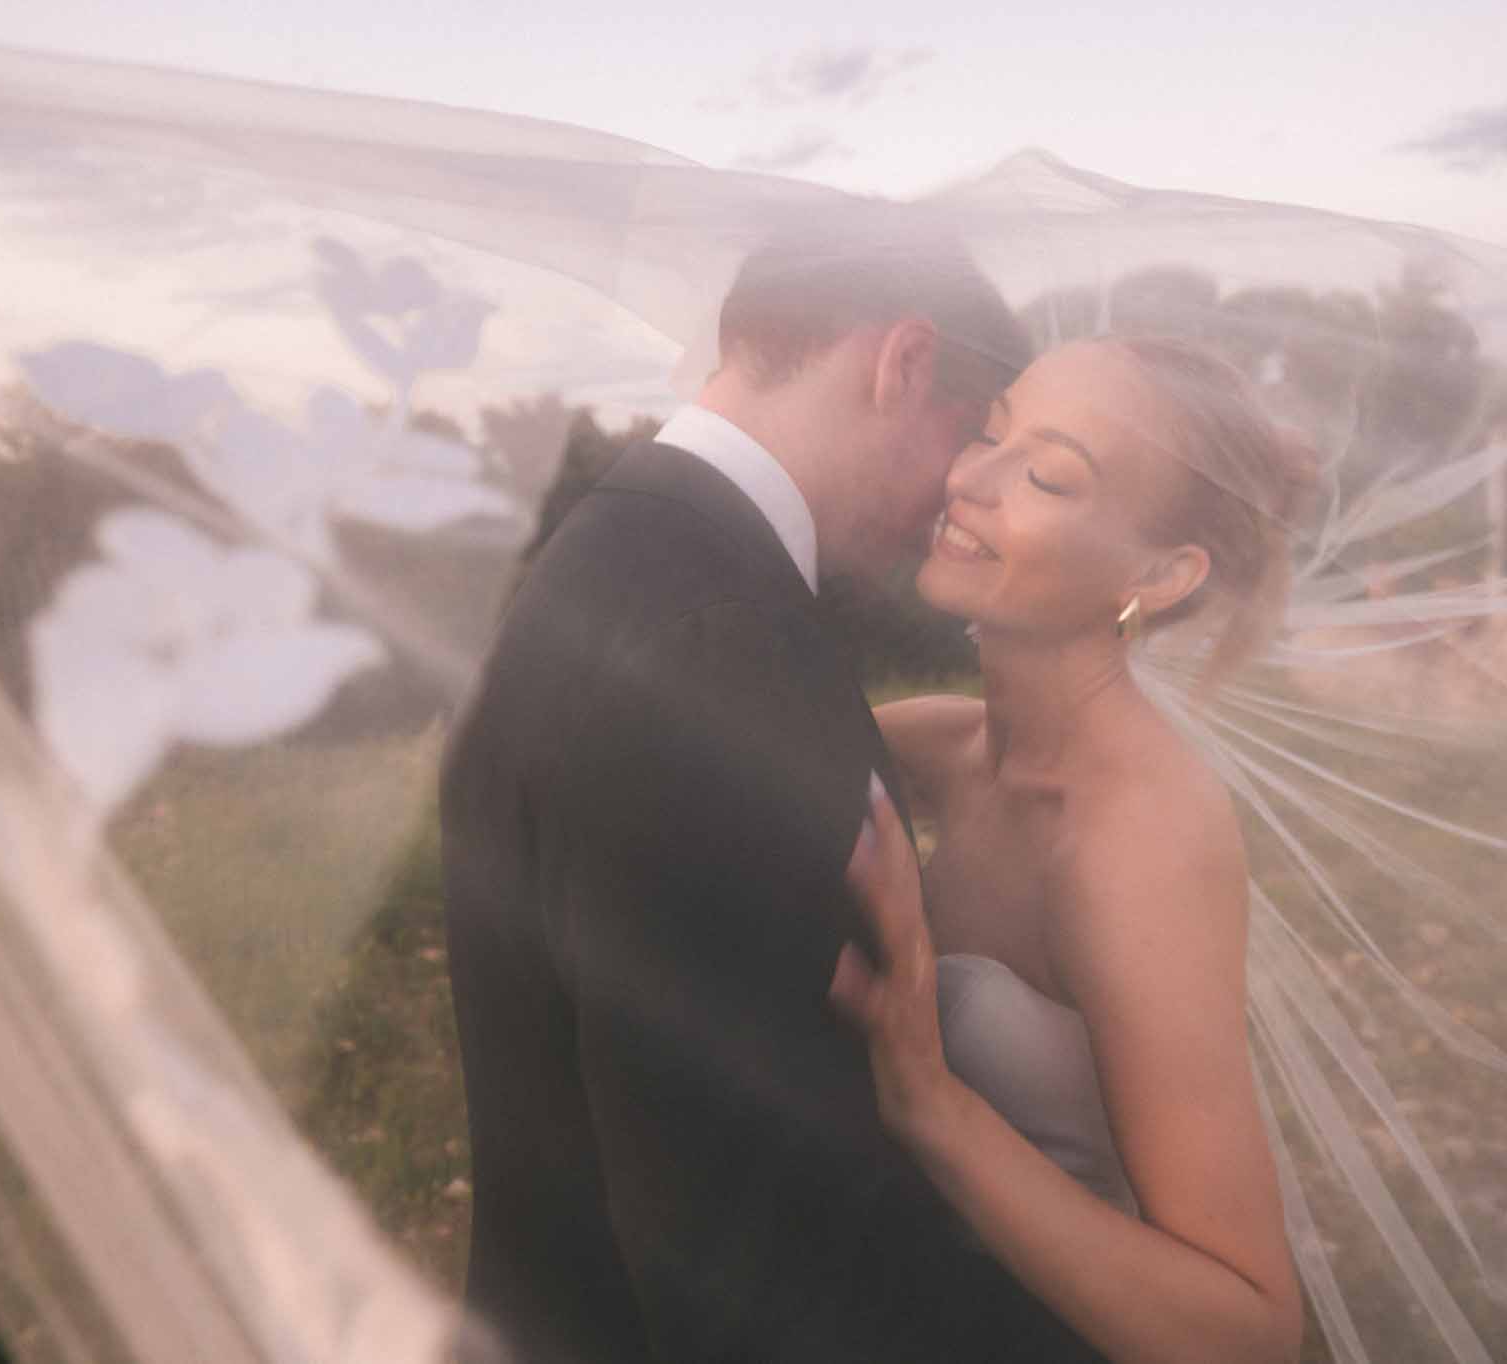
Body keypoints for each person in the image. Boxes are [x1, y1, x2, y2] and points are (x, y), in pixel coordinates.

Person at [439, 224, 1106, 1361]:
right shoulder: (722, 641)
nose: (956, 493)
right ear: (900, 363)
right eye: (967, 434)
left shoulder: (617, 546)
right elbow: (758, 1261)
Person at [831, 336, 1317, 1364]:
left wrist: (929, 1103)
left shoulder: (1134, 844)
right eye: (991, 431)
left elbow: (1250, 1327)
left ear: (1159, 573)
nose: (968, 477)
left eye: (1049, 474)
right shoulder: (951, 747)